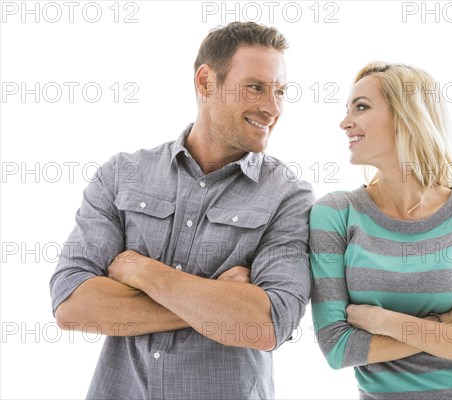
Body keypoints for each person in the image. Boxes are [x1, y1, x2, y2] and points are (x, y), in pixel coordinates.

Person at [50, 22, 314, 399]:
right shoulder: (122, 174)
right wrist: (214, 305)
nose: (272, 108)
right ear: (206, 83)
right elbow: (72, 305)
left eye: (280, 92)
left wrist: (144, 271)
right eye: (256, 87)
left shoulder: (288, 196)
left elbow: (267, 324)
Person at [310, 62, 452, 399]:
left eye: (361, 107)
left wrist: (381, 321)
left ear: (406, 116)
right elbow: (339, 347)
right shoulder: (335, 214)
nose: (345, 122)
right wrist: (449, 323)